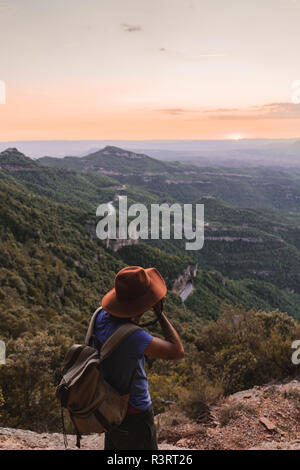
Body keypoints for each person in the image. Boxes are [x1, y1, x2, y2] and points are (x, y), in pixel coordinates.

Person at [94, 265, 184, 450]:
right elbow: (177, 351)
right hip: (135, 412)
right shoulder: (134, 337)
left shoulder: (100, 316)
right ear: (144, 303)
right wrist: (160, 314)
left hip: (109, 407)